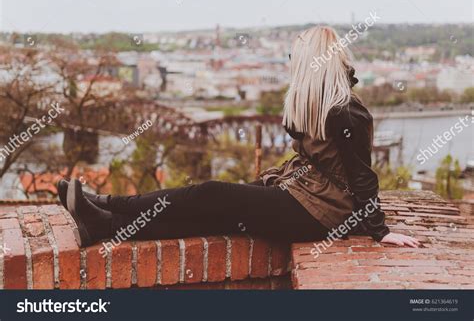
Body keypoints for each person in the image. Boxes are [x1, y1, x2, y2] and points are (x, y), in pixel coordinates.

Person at [58, 26, 419, 249]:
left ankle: (109, 205)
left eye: (295, 57)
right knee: (214, 213)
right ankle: (105, 221)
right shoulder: (316, 104)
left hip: (321, 212)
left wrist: (379, 230)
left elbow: (362, 176)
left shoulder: (347, 111)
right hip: (300, 195)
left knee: (211, 193)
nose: (291, 63)